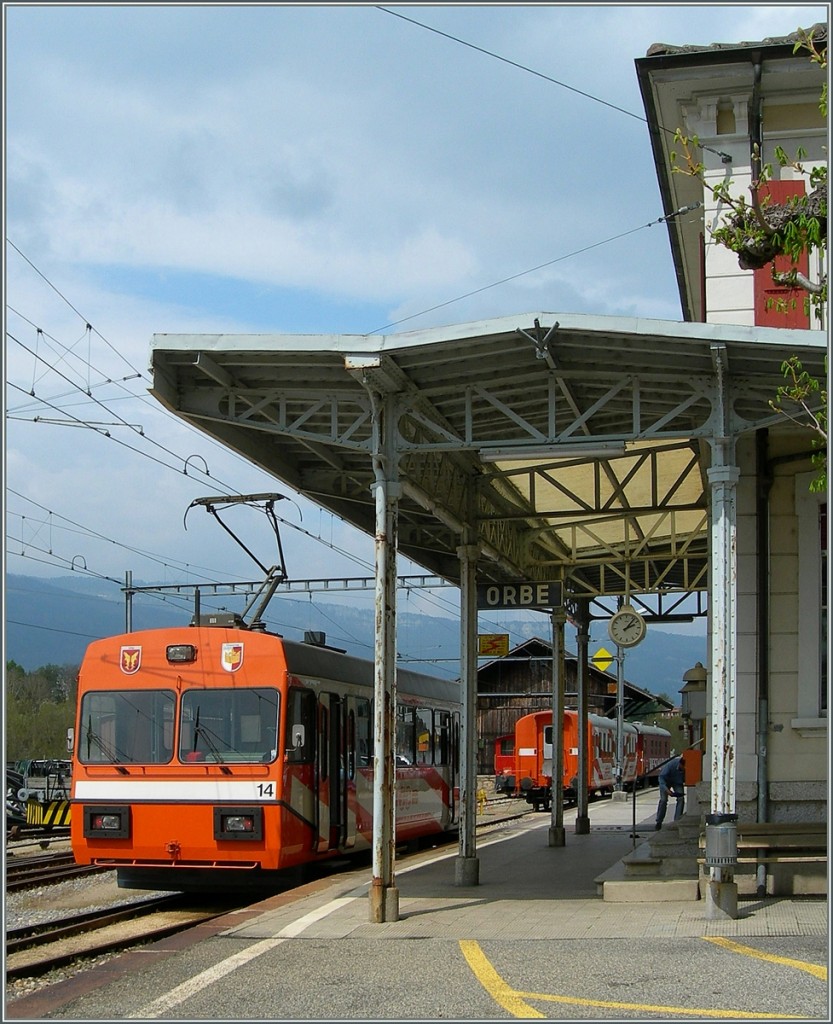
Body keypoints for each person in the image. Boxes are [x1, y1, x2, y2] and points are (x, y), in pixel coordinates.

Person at [655, 754, 686, 829]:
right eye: (683, 768)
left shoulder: (685, 769)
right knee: (663, 800)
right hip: (666, 781)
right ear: (680, 764)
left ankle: (677, 820)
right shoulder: (671, 765)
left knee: (681, 799)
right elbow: (661, 778)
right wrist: (666, 790)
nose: (684, 770)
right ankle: (659, 821)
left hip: (677, 782)